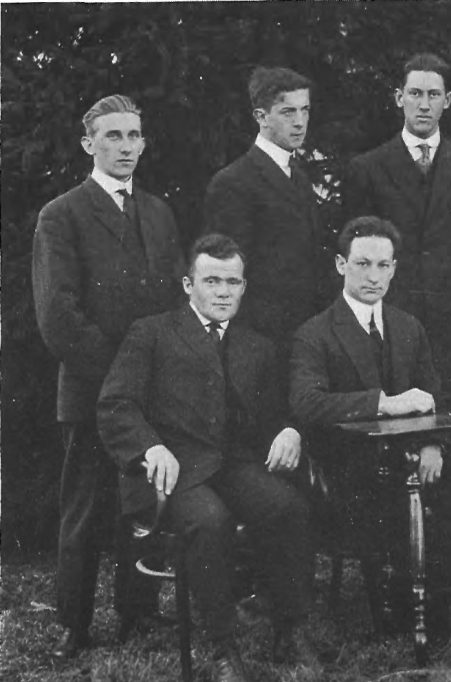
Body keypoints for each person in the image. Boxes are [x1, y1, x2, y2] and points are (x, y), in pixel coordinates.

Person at [97, 235, 316, 682]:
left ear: (243, 287)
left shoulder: (256, 346)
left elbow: (280, 410)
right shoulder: (152, 332)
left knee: (286, 507)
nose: (222, 291)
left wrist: (291, 431)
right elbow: (117, 403)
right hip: (171, 471)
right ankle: (222, 647)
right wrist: (149, 446)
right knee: (209, 521)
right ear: (187, 284)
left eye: (232, 282)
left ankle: (289, 628)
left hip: (232, 465)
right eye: (211, 280)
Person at [32, 94, 184, 658]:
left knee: (141, 507)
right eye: (113, 136)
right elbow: (58, 317)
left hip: (149, 393)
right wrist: (122, 376)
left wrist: (157, 374)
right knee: (86, 511)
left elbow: (172, 297)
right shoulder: (62, 214)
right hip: (94, 392)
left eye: (134, 136)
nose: (125, 147)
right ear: (88, 142)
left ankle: (138, 613)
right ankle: (74, 622)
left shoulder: (159, 212)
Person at [289, 216, 451, 632]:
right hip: (352, 465)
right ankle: (403, 603)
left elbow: (434, 394)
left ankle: (442, 594)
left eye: (383, 266)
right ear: (341, 265)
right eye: (362, 264)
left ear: (395, 269)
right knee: (392, 501)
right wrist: (384, 404)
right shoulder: (315, 333)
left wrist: (433, 444)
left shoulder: (407, 326)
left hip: (415, 454)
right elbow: (307, 403)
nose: (373, 276)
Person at [343, 53, 451, 407]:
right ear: (399, 97)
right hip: (393, 315)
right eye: (415, 94)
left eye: (433, 95)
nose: (424, 105)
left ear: (447, 101)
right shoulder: (368, 168)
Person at [204, 66, 329, 356]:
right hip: (259, 341)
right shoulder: (234, 182)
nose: (300, 122)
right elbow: (227, 274)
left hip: (304, 335)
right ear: (261, 117)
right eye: (288, 112)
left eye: (305, 111)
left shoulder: (298, 176)